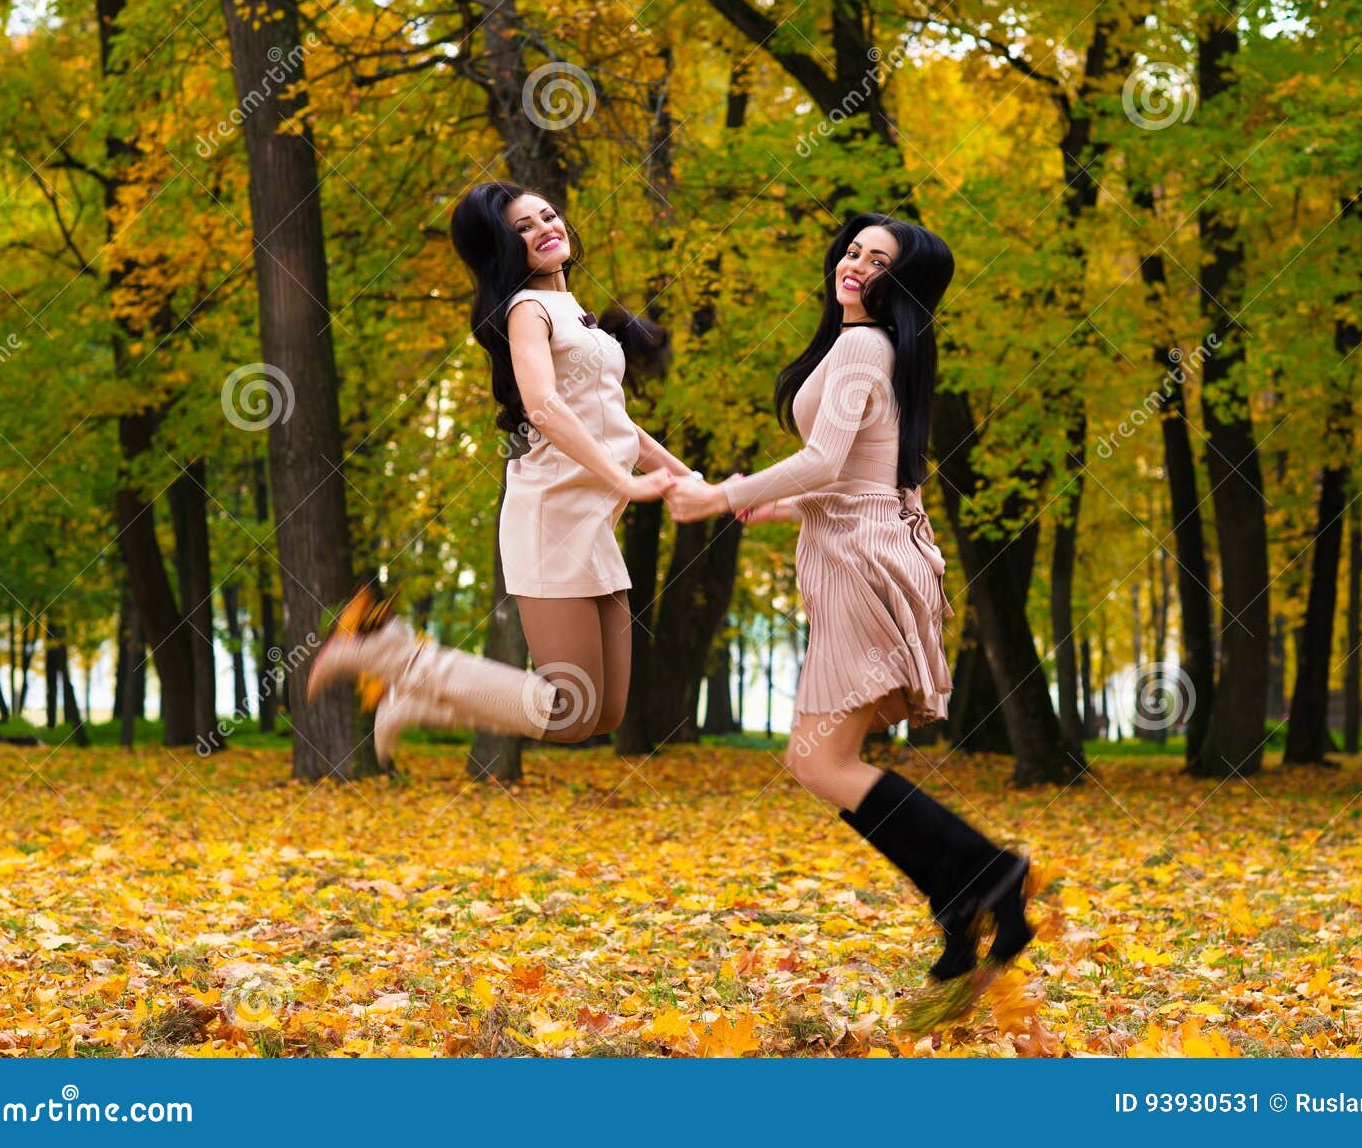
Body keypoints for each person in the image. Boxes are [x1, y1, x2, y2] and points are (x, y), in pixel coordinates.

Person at [664, 213, 1033, 982]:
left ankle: (986, 875)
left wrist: (720, 496)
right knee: (822, 758)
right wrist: (782, 505)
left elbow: (823, 457)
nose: (856, 265)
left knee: (819, 759)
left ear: (904, 283)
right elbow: (867, 475)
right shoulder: (868, 347)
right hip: (860, 552)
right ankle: (964, 890)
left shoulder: (865, 345)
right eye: (854, 250)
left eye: (879, 261)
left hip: (862, 565)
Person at [308, 182, 693, 760]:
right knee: (573, 711)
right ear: (502, 250)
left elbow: (616, 422)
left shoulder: (576, 312)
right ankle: (397, 655)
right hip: (552, 519)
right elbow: (542, 406)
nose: (544, 229)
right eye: (523, 229)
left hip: (593, 520)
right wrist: (624, 482)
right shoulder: (526, 310)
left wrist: (692, 483)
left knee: (602, 713)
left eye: (548, 215)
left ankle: (422, 697)